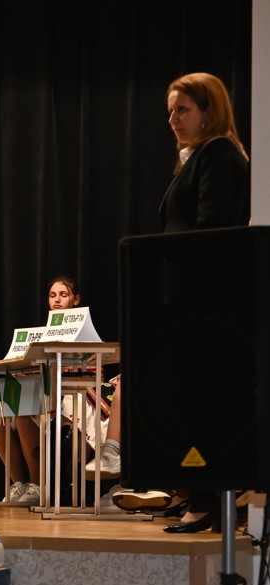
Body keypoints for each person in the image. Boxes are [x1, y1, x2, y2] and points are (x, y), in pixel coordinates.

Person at [113, 72, 250, 532]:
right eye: (170, 111)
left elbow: (210, 229)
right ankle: (193, 492)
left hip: (203, 299)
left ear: (209, 112)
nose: (172, 119)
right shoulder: (195, 158)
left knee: (200, 397)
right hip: (187, 298)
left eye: (182, 109)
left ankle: (206, 499)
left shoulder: (218, 152)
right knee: (187, 396)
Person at [0, 276, 85, 506]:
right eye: (52, 295)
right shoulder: (42, 333)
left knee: (25, 414)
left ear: (75, 300)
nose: (57, 300)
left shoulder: (85, 331)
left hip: (71, 397)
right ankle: (18, 484)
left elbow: (93, 369)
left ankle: (37, 485)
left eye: (63, 295)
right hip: (41, 393)